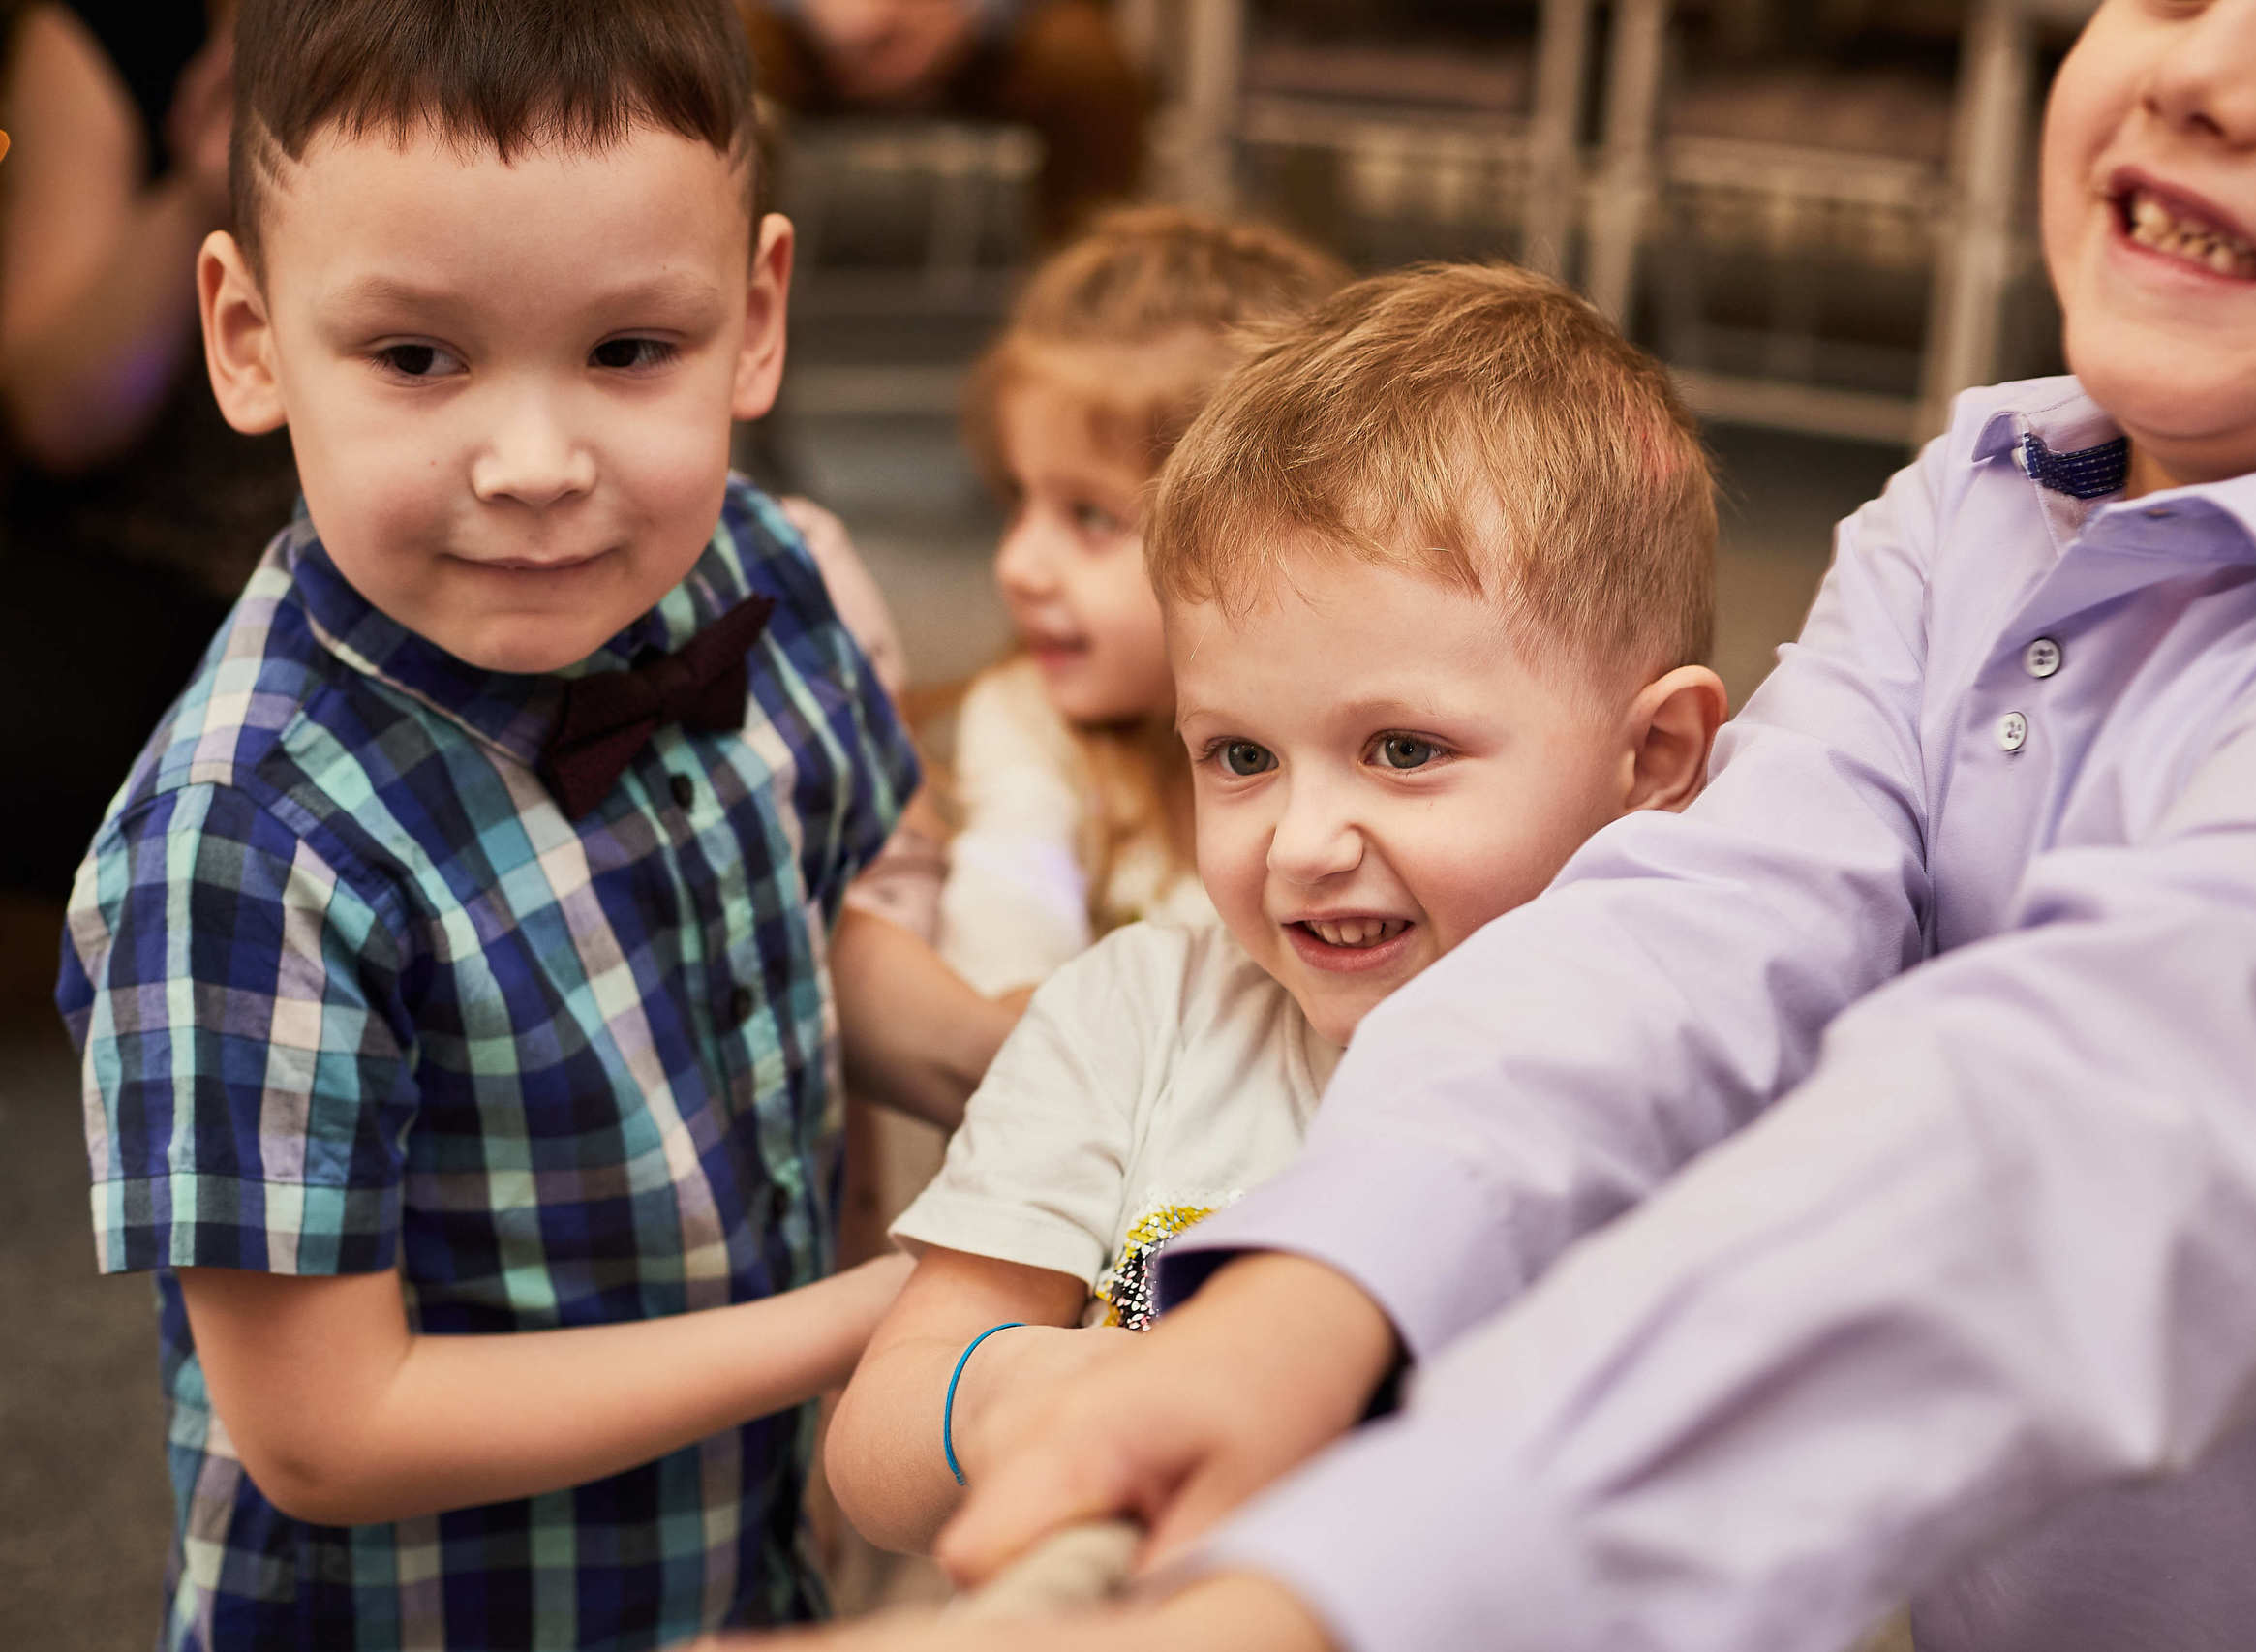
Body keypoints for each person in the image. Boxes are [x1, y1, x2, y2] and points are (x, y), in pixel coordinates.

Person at [712, 0, 2256, 1646]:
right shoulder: (1986, 501)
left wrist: (1320, 1582)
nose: (2203, 73)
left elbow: (2077, 1140)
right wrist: (1312, 1301)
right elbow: (1690, 924)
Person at [55, 0, 1017, 1645]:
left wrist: (1033, 1061)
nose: (535, 461)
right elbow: (331, 1432)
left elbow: (805, 924)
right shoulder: (245, 848)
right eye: (419, 357)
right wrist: (872, 1316)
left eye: (630, 352)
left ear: (757, 315)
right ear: (248, 337)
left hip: (731, 1553)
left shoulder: (758, 574)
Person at [820, 263, 1727, 1555]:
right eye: (1240, 756)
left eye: (1404, 750)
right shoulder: (1137, 1014)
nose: (1300, 845)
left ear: (1653, 758)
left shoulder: (1705, 1093)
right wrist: (1032, 1389)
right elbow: (879, 1441)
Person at [931, 208, 1345, 1000]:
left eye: (1089, 516)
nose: (1016, 565)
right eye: (1018, 499)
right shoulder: (1030, 720)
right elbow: (1007, 949)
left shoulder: (1354, 740)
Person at [0, 0, 299, 901]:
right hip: (143, 562)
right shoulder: (108, 37)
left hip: (386, 549)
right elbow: (59, 416)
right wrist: (205, 190)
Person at [739, 0, 1148, 243]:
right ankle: (734, 287)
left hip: (990, 34)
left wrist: (970, 12)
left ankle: (1086, 292)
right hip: (807, 31)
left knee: (1084, 67)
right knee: (726, 52)